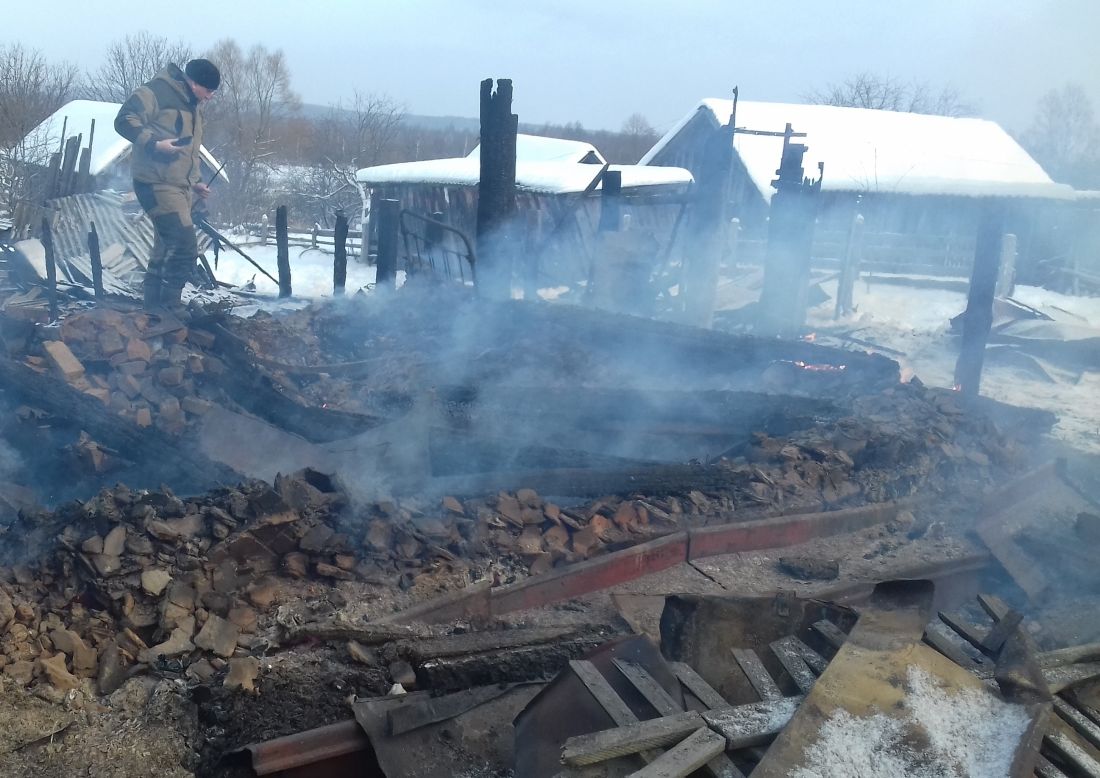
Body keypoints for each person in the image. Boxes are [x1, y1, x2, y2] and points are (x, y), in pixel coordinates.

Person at [114, 59, 220, 309]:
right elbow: (123, 120)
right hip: (154, 183)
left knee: (164, 248)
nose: (210, 97)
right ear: (193, 83)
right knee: (184, 245)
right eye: (208, 91)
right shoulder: (155, 92)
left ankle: (152, 310)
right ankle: (171, 309)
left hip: (178, 186)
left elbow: (188, 151)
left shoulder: (192, 105)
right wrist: (153, 144)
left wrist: (195, 183)